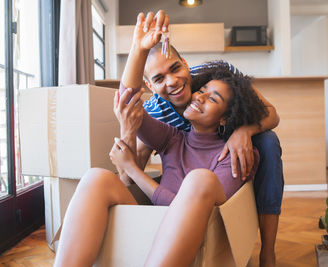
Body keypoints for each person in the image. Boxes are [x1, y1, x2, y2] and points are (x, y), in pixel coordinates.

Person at [53, 11, 268, 267]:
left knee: (200, 180)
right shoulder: (173, 138)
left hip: (195, 237)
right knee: (96, 177)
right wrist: (139, 48)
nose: (198, 97)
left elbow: (192, 209)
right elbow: (127, 99)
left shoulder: (235, 156)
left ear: (225, 118)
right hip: (152, 226)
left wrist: (133, 168)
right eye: (202, 90)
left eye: (212, 99)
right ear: (151, 85)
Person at [118, 10, 284, 267]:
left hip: (222, 165)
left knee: (268, 141)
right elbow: (130, 171)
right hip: (183, 169)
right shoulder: (157, 113)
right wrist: (127, 130)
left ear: (185, 63)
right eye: (159, 79)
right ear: (150, 87)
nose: (173, 82)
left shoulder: (214, 79)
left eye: (175, 69)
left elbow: (271, 114)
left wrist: (244, 131)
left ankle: (268, 252)